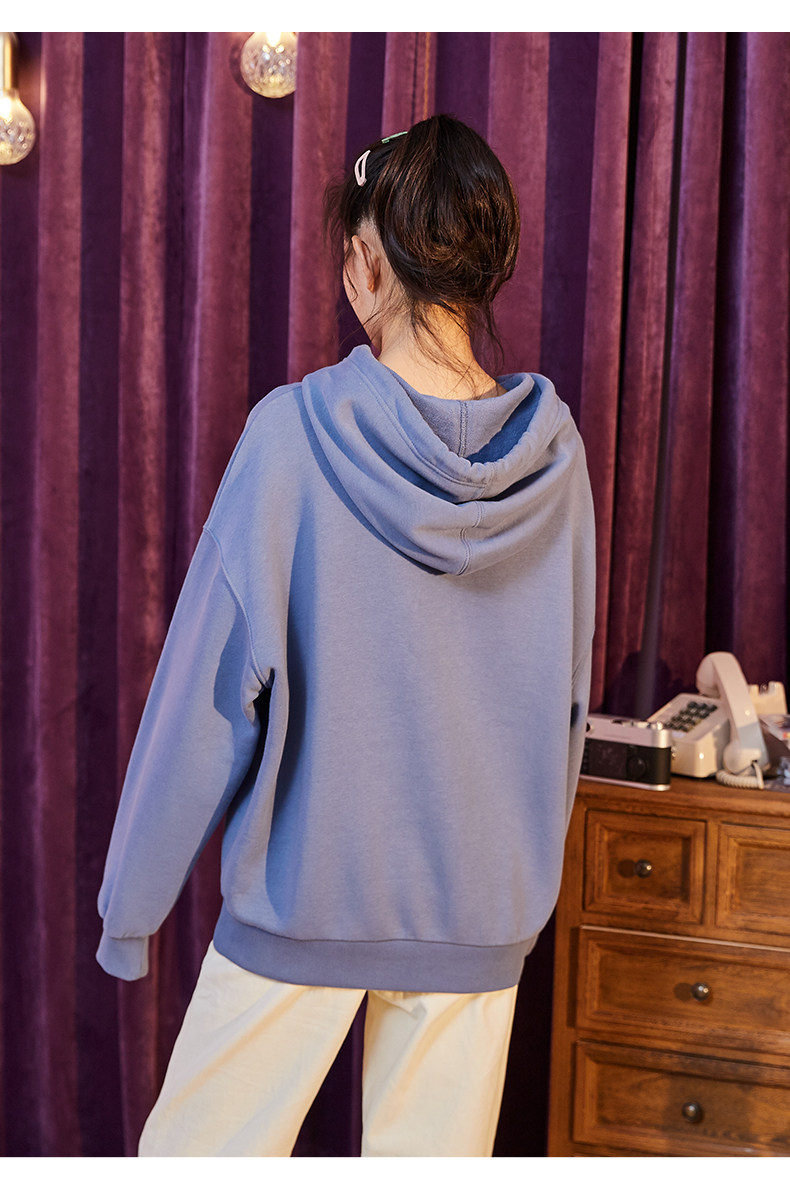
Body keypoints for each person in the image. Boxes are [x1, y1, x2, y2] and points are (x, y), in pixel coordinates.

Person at [96, 113, 596, 1157]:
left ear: (366, 263)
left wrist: (130, 905)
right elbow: (566, 701)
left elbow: (209, 692)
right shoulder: (558, 462)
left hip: (305, 895)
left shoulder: (291, 435)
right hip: (480, 906)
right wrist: (514, 882)